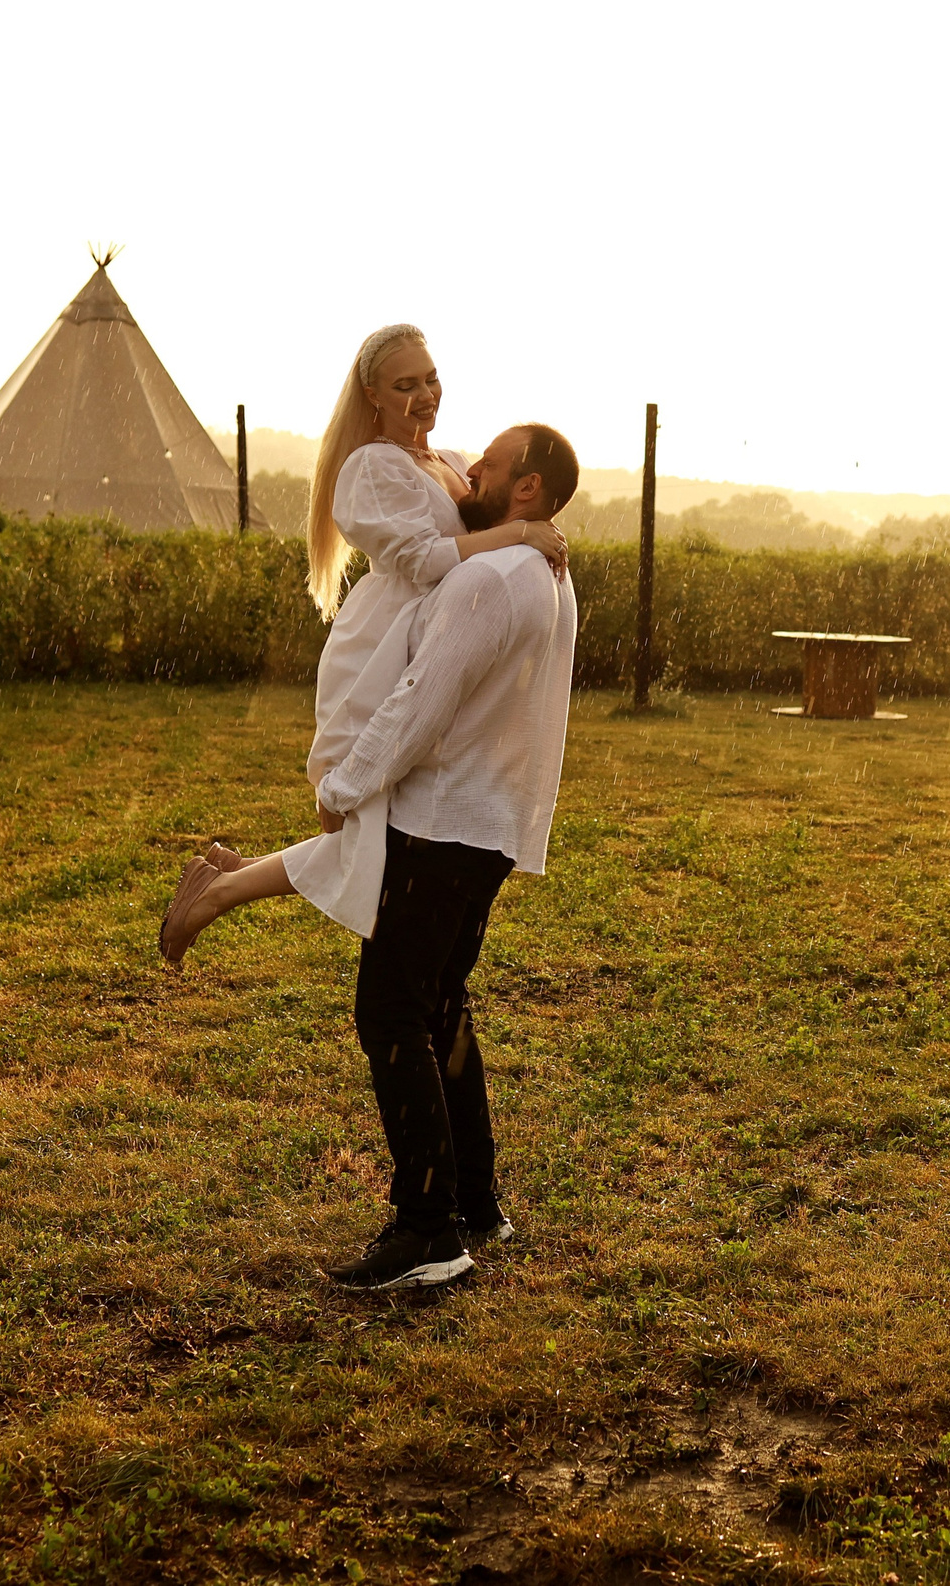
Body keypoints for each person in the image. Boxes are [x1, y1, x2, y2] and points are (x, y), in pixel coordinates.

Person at [189, 421, 582, 1290]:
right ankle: (475, 1200)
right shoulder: (546, 573)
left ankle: (428, 1229)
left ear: (526, 489)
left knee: (391, 1011)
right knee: (439, 1005)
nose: (469, 470)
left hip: (441, 825)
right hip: (489, 825)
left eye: (489, 465)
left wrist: (346, 783)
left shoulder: (486, 580)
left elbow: (420, 702)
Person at [159, 325, 564, 962]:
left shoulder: (450, 460)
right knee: (369, 819)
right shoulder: (373, 467)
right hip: (379, 646)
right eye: (404, 385)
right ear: (372, 395)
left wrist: (525, 530)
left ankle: (225, 883)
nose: (425, 395)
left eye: (430, 378)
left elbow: (485, 521)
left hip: (422, 641)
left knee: (382, 827)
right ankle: (220, 891)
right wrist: (521, 532)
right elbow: (423, 560)